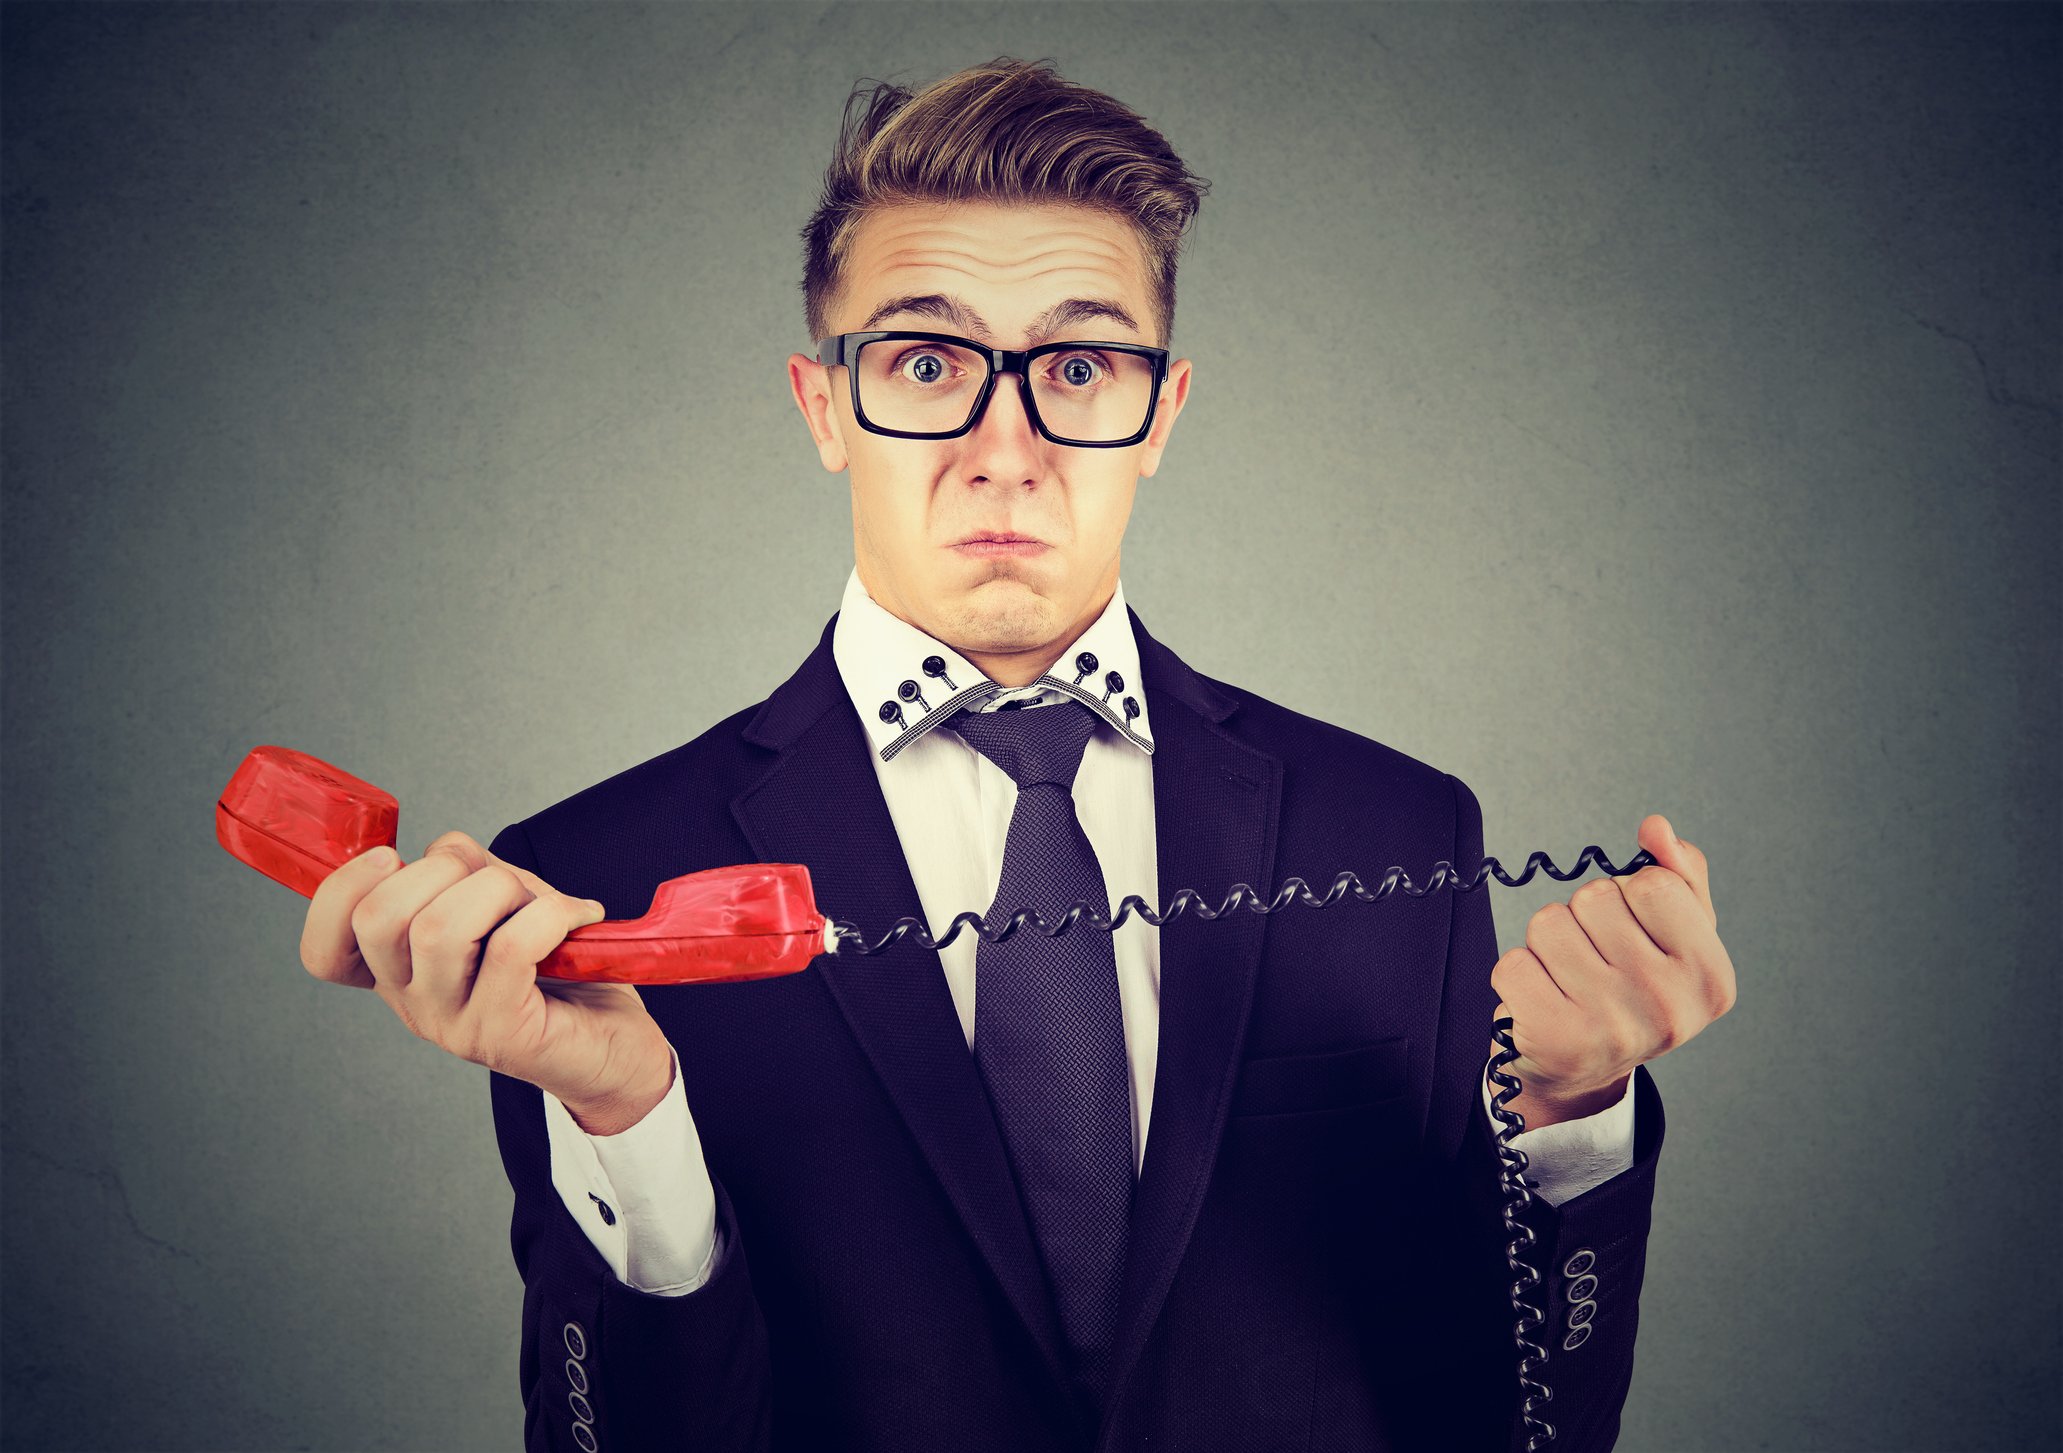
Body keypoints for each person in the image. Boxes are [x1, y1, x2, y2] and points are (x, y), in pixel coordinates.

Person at [299, 57, 1735, 1453]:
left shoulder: (1399, 828)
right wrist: (626, 1115)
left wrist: (1569, 1125)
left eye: (1080, 363)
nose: (1005, 445)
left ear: (1158, 416)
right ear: (821, 407)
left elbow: (1510, 1426)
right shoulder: (595, 886)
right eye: (926, 362)